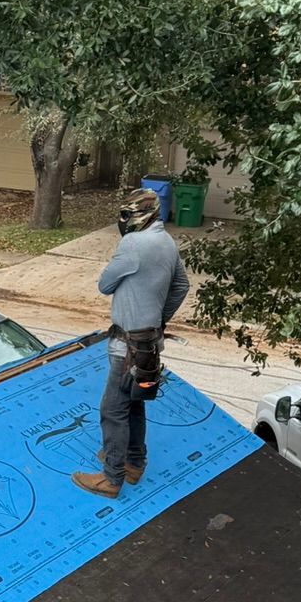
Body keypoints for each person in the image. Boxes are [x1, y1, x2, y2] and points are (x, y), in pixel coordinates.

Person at [73, 187, 190, 499]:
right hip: (150, 341)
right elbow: (181, 285)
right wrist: (159, 317)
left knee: (112, 410)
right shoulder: (167, 242)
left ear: (138, 216)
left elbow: (105, 284)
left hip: (127, 346)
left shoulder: (133, 243)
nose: (123, 221)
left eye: (126, 215)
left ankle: (112, 477)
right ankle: (135, 462)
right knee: (134, 402)